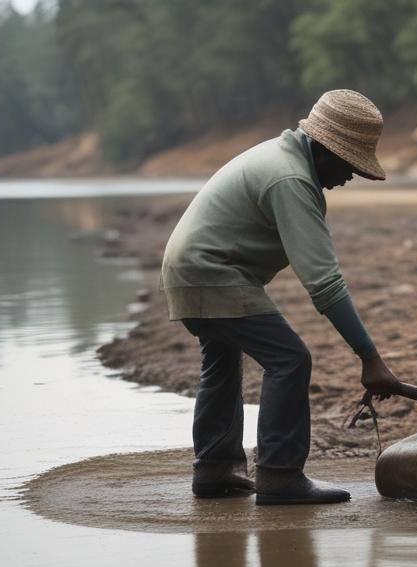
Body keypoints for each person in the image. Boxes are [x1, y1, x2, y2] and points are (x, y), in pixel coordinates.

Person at [160, 89, 400, 505]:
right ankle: (279, 474)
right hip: (212, 273)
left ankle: (215, 469)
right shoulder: (290, 178)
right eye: (349, 166)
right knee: (290, 359)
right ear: (325, 150)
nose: (348, 178)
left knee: (221, 361)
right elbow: (325, 284)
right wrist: (369, 357)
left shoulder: (281, 157)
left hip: (186, 271)